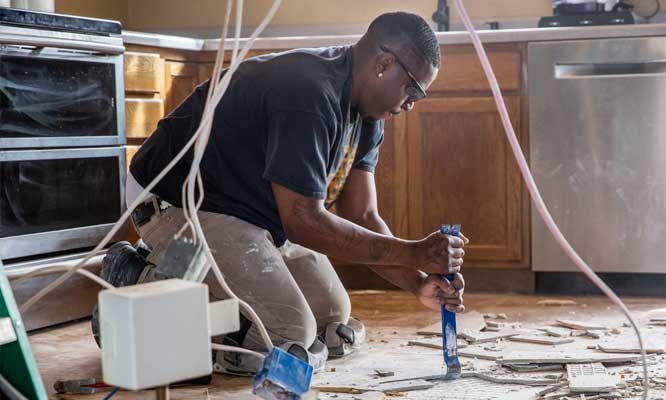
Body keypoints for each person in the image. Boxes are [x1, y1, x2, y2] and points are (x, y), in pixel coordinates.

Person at [97, 11, 468, 374]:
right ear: (384, 64)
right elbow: (304, 222)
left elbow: (362, 215)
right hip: (178, 199)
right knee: (286, 335)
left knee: (331, 318)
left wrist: (418, 281)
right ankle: (142, 277)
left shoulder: (369, 114)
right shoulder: (309, 94)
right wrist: (415, 251)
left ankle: (182, 271)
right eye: (413, 90)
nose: (410, 105)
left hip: (251, 208)